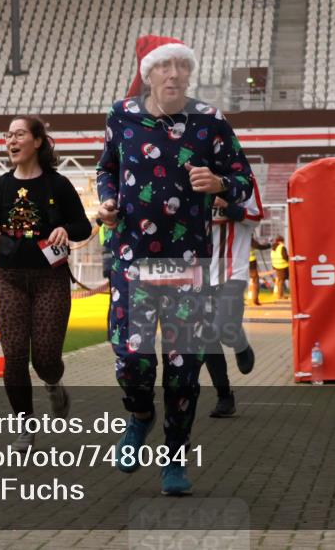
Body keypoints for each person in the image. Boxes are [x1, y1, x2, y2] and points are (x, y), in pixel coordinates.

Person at [97, 34, 253, 496]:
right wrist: (107, 201)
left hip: (186, 265)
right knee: (132, 359)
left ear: (189, 74)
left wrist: (219, 183)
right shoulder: (121, 115)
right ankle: (140, 414)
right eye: (164, 67)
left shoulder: (210, 122)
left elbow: (243, 181)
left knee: (183, 370)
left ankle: (174, 460)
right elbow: (107, 168)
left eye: (181, 67)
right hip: (132, 260)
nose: (173, 74)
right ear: (148, 74)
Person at [0, 115, 91, 451]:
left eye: (19, 134)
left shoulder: (57, 184)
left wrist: (65, 228)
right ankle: (25, 426)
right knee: (15, 356)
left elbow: (82, 226)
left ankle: (53, 383)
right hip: (7, 277)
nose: (11, 140)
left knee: (46, 359)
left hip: (50, 278)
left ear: (37, 142)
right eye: (8, 135)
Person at [205, 178, 264, 418]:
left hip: (233, 272)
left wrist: (226, 206)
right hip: (201, 274)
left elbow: (256, 216)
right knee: (207, 338)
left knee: (222, 330)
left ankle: (239, 343)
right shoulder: (192, 180)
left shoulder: (244, 181)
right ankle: (224, 397)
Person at [248, 234, 271, 305]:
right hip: (251, 262)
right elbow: (258, 246)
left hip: (239, 262)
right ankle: (255, 300)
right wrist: (268, 245)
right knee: (255, 280)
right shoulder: (249, 239)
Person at [271, 236, 290, 300]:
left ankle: (280, 295)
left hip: (277, 266)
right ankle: (280, 295)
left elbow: (272, 257)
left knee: (280, 280)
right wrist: (290, 260)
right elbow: (285, 256)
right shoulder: (281, 247)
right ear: (282, 241)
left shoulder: (273, 248)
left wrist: (273, 266)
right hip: (283, 266)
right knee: (281, 281)